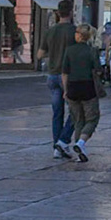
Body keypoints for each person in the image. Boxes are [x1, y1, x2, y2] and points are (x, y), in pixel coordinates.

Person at [60, 25, 101, 163]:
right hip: (88, 87)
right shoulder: (92, 51)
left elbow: (64, 73)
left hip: (72, 87)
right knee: (92, 119)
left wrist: (65, 90)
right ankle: (81, 142)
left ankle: (79, 152)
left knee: (78, 120)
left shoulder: (69, 50)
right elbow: (98, 69)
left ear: (79, 35)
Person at [39, 15, 76, 159]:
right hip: (67, 75)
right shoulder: (74, 31)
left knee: (57, 113)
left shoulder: (50, 31)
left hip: (52, 74)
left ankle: (57, 148)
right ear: (71, 12)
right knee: (76, 110)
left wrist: (53, 52)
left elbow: (40, 54)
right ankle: (63, 140)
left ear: (58, 13)